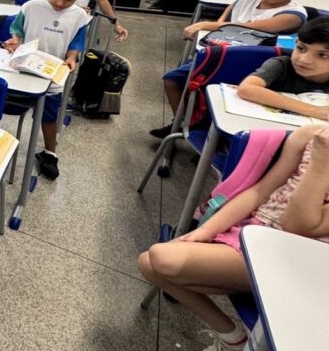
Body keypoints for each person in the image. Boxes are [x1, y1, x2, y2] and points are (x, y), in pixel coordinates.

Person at [138, 125, 329, 351]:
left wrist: (321, 163)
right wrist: (204, 231)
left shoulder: (321, 150)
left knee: (162, 257)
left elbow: (297, 226)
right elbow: (260, 191)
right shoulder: (312, 135)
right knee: (147, 263)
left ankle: (244, 334)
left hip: (295, 257)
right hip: (253, 231)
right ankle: (233, 338)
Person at [152, 0, 311, 137]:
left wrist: (205, 24)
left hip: (255, 68)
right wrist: (218, 25)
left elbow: (247, 28)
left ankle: (213, 133)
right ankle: (183, 122)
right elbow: (228, 16)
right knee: (172, 79)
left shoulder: (293, 15)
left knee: (212, 93)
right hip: (222, 56)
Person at [3, 0, 92, 180]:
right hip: (22, 70)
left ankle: (50, 152)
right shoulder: (31, 6)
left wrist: (72, 58)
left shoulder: (80, 16)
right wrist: (14, 41)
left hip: (51, 74)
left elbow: (76, 43)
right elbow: (17, 30)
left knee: (50, 115)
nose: (60, 3)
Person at [237, 18, 329, 118]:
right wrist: (313, 110)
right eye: (301, 48)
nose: (304, 60)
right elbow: (246, 89)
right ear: (296, 42)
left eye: (322, 55)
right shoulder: (281, 65)